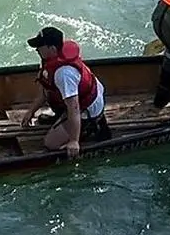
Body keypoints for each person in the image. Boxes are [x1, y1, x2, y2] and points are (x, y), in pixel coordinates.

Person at [19, 26, 111, 157]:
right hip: (75, 99)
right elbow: (46, 90)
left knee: (51, 143)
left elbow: (74, 108)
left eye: (40, 46)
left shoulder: (64, 74)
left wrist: (74, 141)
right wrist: (31, 111)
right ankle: (62, 119)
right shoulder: (49, 60)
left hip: (87, 107)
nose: (36, 49)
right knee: (55, 99)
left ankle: (90, 127)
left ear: (52, 49)